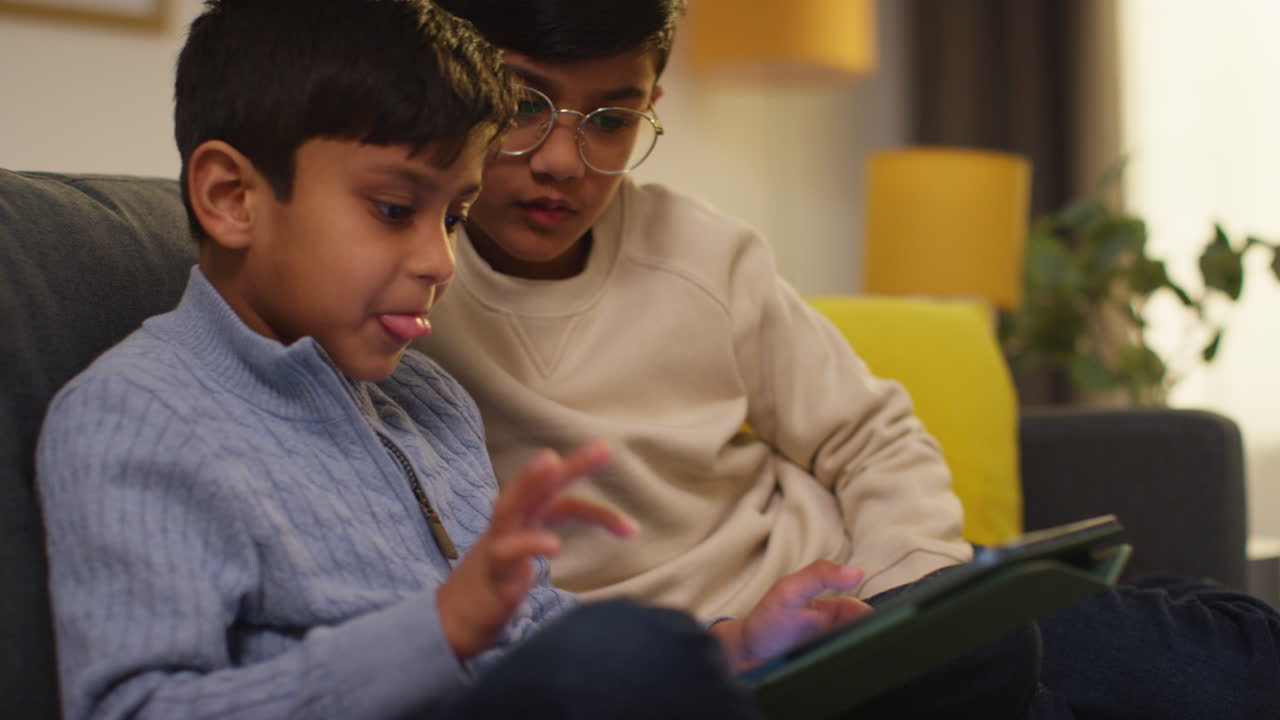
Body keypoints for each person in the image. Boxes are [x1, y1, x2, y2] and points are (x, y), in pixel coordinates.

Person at [415, 0, 1280, 718]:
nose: (564, 160)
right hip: (723, 666)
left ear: (652, 104)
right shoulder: (407, 288)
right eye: (524, 106)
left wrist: (910, 589)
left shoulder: (701, 251)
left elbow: (872, 435)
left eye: (612, 120)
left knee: (1227, 666)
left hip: (858, 588)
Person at [33, 1, 895, 718]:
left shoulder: (429, 400)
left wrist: (738, 645)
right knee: (625, 656)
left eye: (453, 216)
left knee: (988, 642)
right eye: (394, 207)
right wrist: (437, 632)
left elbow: (541, 640)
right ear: (231, 197)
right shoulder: (135, 415)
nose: (442, 261)